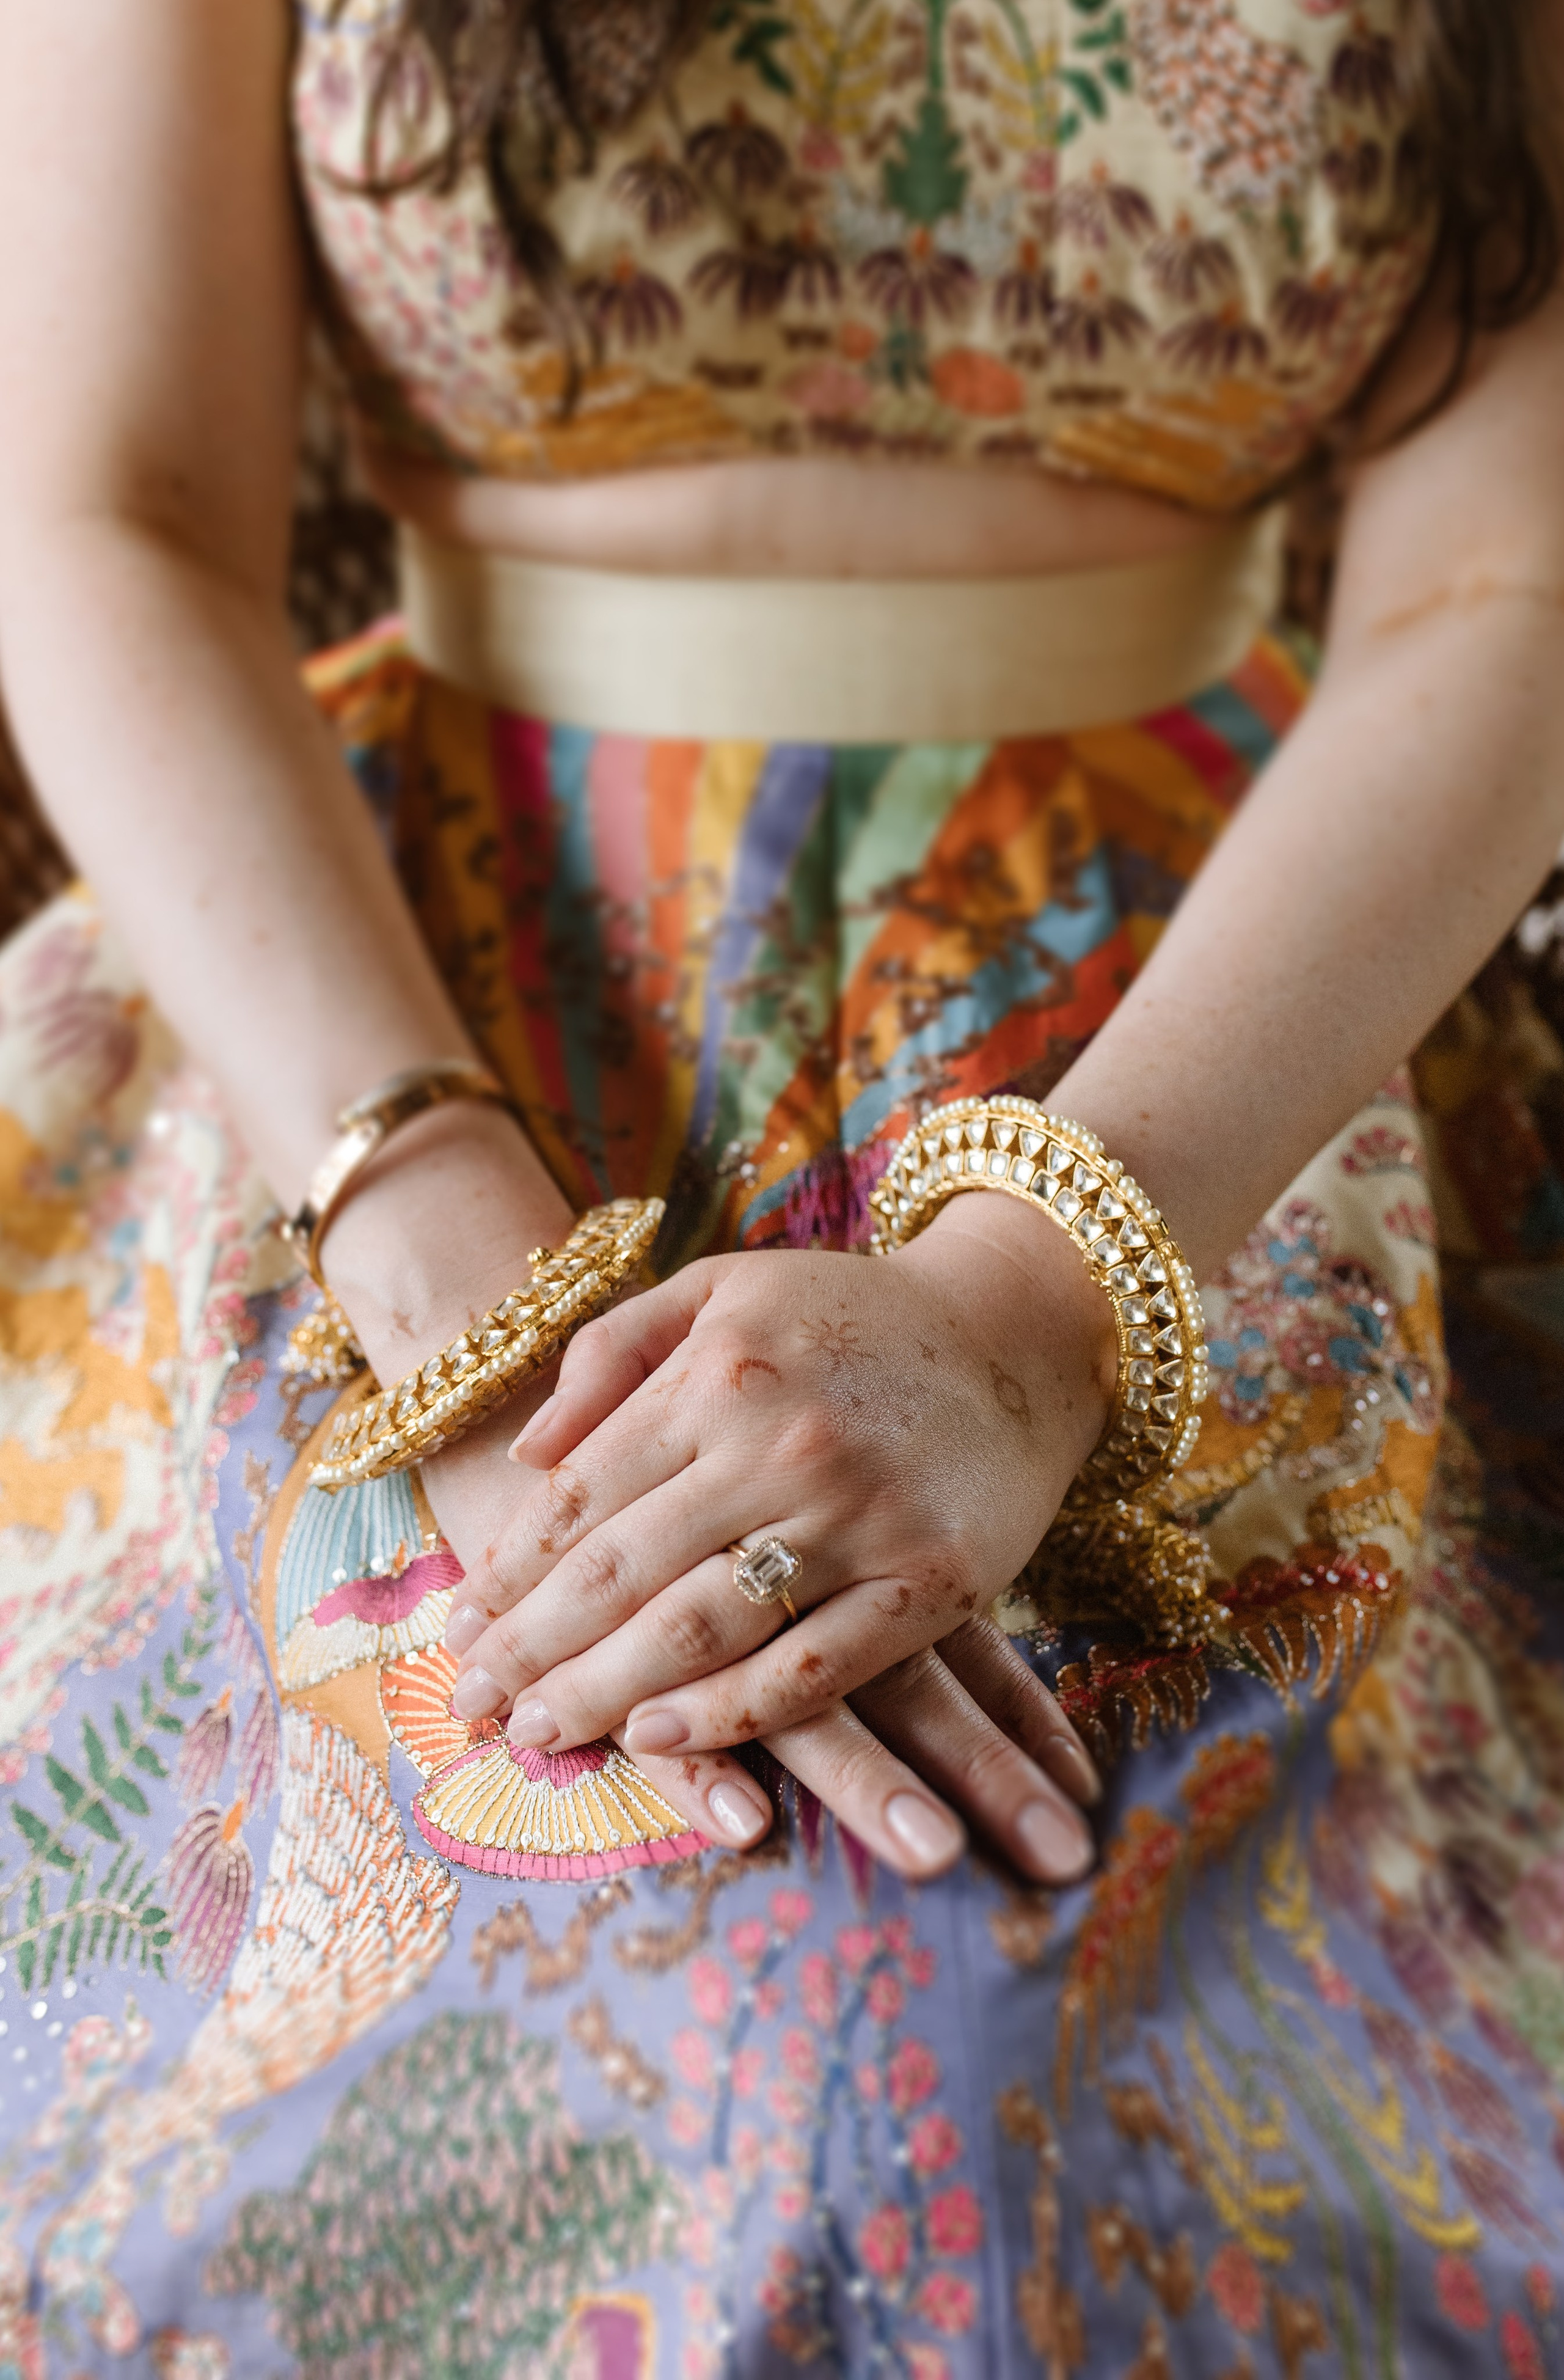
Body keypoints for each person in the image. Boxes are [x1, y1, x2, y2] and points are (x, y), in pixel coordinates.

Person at [0, 1, 1561, 2371]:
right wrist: (444, 1260)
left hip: (1227, 1021)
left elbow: (1508, 581)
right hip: (358, 991)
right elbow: (112, 509)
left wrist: (1042, 1303)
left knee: (1018, 2020)